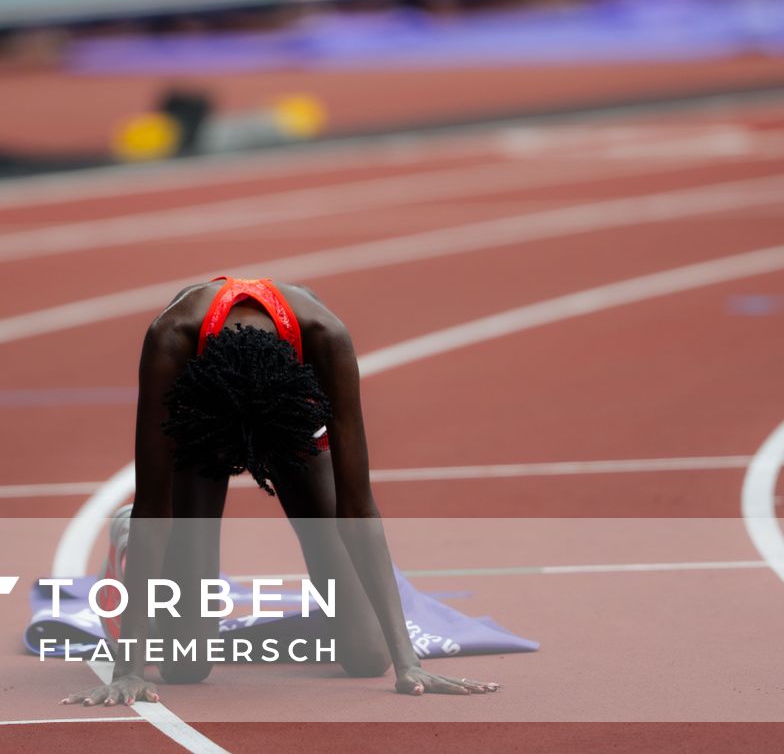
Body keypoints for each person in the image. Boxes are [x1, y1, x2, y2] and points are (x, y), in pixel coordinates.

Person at [65, 275, 500, 707]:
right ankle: (124, 540)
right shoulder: (170, 339)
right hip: (206, 426)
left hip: (290, 425)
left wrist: (409, 664)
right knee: (186, 663)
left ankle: (352, 624)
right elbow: (155, 509)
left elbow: (358, 508)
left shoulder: (326, 339)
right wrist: (128, 671)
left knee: (369, 656)